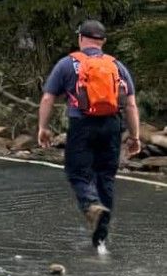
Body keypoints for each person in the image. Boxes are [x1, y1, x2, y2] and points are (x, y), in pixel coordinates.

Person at [37, 20, 142, 257]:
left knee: (77, 172)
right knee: (105, 177)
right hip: (112, 126)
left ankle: (90, 203)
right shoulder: (117, 66)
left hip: (82, 125)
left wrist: (43, 127)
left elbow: (47, 99)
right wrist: (135, 136)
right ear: (102, 41)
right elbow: (131, 105)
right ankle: (100, 239)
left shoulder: (67, 64)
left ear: (80, 38)